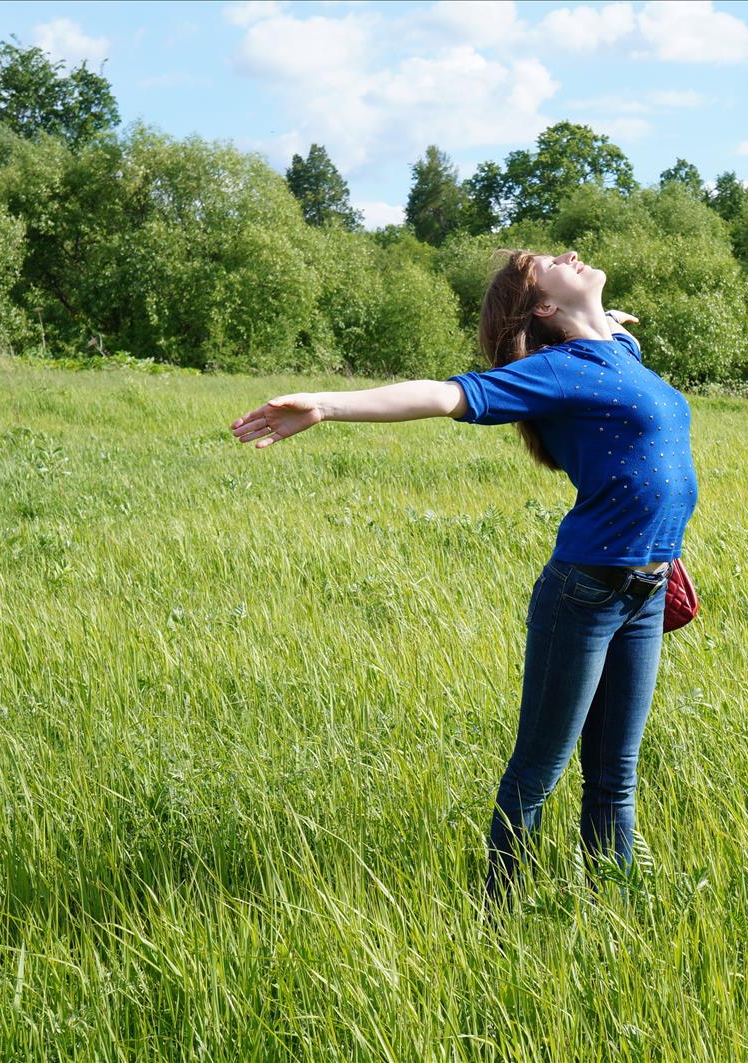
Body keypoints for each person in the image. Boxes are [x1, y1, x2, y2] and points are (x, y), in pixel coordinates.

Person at [228, 249, 699, 906]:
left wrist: (600, 316)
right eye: (549, 261)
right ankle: (500, 915)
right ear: (543, 305)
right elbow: (446, 393)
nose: (569, 253)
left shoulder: (618, 348)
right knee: (537, 773)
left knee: (615, 777)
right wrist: (328, 404)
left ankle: (613, 911)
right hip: (585, 595)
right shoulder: (559, 371)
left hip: (645, 593)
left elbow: (610, 331)